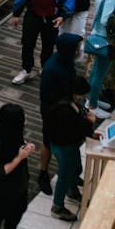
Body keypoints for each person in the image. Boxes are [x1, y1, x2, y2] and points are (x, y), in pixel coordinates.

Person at [11, 0, 76, 85]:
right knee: (27, 44)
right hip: (33, 15)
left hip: (51, 18)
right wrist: (16, 13)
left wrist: (63, 15)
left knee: (48, 46)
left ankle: (45, 69)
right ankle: (26, 70)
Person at [36, 32, 82, 197]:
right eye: (76, 47)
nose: (79, 50)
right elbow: (46, 95)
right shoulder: (52, 68)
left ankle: (72, 176)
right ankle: (43, 173)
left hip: (64, 107)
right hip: (52, 110)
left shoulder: (66, 60)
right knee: (49, 141)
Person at [44, 77, 96, 221]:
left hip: (67, 144)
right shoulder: (64, 110)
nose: (84, 97)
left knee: (76, 168)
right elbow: (74, 128)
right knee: (64, 175)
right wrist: (89, 122)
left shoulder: (68, 101)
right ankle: (57, 206)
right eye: (83, 94)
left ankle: (72, 190)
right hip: (63, 146)